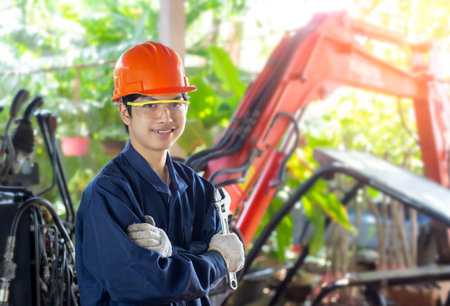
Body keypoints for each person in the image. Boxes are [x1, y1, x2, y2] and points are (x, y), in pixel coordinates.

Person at [75, 41, 245, 305]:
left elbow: (220, 246)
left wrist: (171, 253)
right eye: (150, 105)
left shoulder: (198, 189)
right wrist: (216, 260)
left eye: (176, 102)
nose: (166, 116)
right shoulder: (108, 195)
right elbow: (145, 285)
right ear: (125, 111)